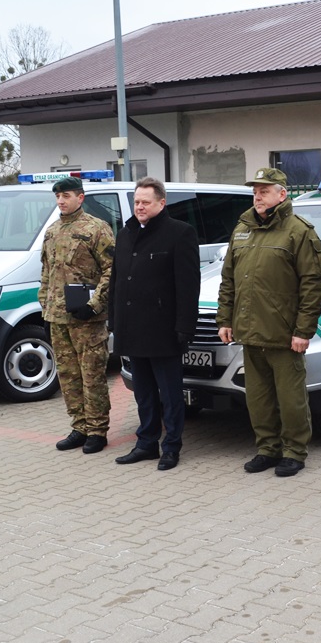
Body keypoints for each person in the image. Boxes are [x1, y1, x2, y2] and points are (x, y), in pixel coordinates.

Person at [216, 168, 321, 478]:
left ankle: (294, 451)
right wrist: (225, 319)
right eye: (255, 189)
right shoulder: (242, 229)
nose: (257, 194)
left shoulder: (298, 231)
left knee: (291, 400)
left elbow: (312, 284)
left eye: (265, 190)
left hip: (283, 333)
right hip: (250, 331)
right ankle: (267, 448)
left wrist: (304, 330)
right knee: (259, 398)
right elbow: (229, 280)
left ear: (282, 194)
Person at [108, 176, 201, 471]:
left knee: (170, 394)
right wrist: (114, 320)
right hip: (132, 328)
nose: (139, 207)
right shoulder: (125, 234)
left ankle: (171, 446)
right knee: (144, 392)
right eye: (136, 202)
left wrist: (184, 327)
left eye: (145, 202)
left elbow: (188, 286)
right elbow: (116, 281)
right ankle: (146, 443)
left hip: (163, 330)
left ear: (162, 203)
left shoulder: (180, 233)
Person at [41, 176, 115, 455]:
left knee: (92, 374)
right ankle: (79, 426)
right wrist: (44, 303)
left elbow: (112, 270)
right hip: (58, 317)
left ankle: (97, 429)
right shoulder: (52, 232)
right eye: (58, 197)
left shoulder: (97, 229)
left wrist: (95, 304)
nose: (61, 201)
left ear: (80, 197)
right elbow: (46, 273)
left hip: (88, 318)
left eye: (67, 196)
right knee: (68, 376)